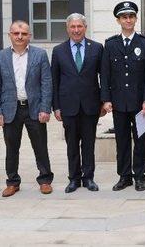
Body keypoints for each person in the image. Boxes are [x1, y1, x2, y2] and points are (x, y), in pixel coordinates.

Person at [0, 20, 54, 197]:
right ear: (9, 35)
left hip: (34, 108)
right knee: (11, 148)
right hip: (10, 109)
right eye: (16, 33)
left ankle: (45, 179)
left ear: (29, 36)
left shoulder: (39, 55)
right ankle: (12, 182)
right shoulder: (0, 56)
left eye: (23, 34)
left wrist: (45, 108)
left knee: (40, 146)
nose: (19, 36)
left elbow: (46, 83)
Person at [101, 1, 145, 192]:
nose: (128, 20)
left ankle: (140, 176)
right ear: (118, 20)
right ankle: (124, 176)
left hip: (141, 104)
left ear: (136, 19)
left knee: (141, 141)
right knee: (121, 141)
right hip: (118, 103)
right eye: (124, 17)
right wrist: (106, 99)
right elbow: (105, 74)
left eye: (131, 16)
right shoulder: (110, 44)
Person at [51, 13, 104, 193]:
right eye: (72, 27)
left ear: (85, 28)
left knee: (89, 144)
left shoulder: (97, 48)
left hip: (90, 105)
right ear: (67, 29)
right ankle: (74, 179)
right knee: (72, 145)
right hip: (68, 106)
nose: (76, 30)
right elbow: (54, 81)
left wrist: (104, 102)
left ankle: (88, 178)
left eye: (79, 26)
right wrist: (56, 107)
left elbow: (103, 77)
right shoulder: (58, 51)